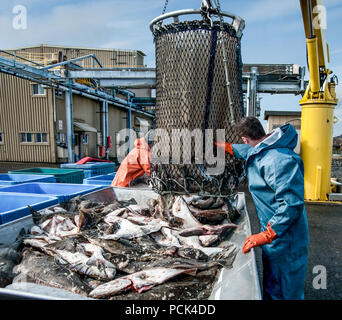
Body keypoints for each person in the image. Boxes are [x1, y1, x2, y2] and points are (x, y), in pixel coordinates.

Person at [216, 117, 309, 300]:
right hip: (274, 233)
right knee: (273, 281)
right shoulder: (266, 145)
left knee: (285, 288)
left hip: (285, 236)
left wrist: (268, 233)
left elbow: (291, 204)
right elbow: (250, 151)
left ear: (245, 138)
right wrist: (227, 147)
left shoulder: (279, 161)